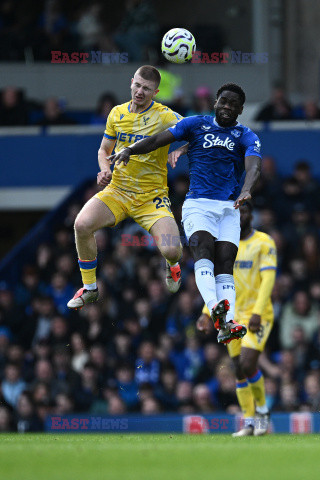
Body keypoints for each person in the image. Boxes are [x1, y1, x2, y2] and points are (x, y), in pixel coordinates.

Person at [110, 83, 262, 344]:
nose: (227, 106)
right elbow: (159, 139)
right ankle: (216, 307)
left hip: (229, 208)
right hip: (198, 205)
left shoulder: (246, 135)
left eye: (233, 104)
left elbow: (254, 165)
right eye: (223, 101)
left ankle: (228, 323)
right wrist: (130, 150)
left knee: (226, 263)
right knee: (204, 251)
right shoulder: (195, 124)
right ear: (215, 102)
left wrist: (246, 190)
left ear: (241, 109)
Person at [67, 65, 183, 310]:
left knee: (172, 248)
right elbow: (103, 151)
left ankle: (172, 266)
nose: (140, 91)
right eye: (138, 85)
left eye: (147, 89)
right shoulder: (116, 113)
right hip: (118, 191)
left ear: (156, 92)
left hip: (152, 197)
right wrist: (104, 169)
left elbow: (199, 132)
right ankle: (89, 288)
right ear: (131, 82)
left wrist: (181, 149)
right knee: (81, 224)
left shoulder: (165, 116)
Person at [197, 202, 277, 436]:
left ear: (252, 214)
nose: (241, 216)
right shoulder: (225, 246)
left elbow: (268, 281)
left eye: (244, 211)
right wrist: (205, 312)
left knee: (248, 363)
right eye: (236, 212)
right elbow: (219, 283)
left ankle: (262, 412)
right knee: (238, 370)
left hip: (258, 315)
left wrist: (258, 312)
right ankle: (249, 422)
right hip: (232, 316)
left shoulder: (264, 242)